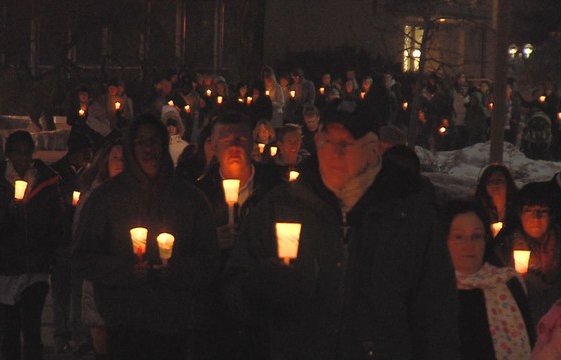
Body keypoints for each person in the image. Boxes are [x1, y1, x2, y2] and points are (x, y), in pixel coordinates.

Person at [224, 109, 460, 359]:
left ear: (372, 150)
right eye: (326, 141)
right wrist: (262, 284)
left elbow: (437, 319)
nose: (333, 153)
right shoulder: (282, 206)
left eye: (345, 145)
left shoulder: (409, 217)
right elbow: (234, 291)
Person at [71, 116, 219, 360]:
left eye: (154, 141)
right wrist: (125, 271)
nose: (148, 148)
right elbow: (81, 256)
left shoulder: (189, 198)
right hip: (124, 322)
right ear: (131, 147)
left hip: (174, 321)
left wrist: (177, 270)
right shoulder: (106, 198)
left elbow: (209, 259)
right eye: (141, 142)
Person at [194, 110, 282, 358]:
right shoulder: (199, 195)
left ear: (252, 144)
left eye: (241, 139)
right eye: (226, 139)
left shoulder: (275, 190)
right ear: (212, 146)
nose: (234, 145)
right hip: (215, 314)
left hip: (264, 311)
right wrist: (211, 243)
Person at [0, 130, 64, 360]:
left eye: (27, 153)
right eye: (17, 153)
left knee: (32, 329)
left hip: (35, 267)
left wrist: (52, 251)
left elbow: (55, 220)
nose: (23, 159)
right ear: (8, 154)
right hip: (6, 267)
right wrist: (9, 213)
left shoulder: (45, 180)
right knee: (10, 331)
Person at [441, 199, 534, 359]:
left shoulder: (507, 283)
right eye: (459, 237)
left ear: (485, 240)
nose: (469, 245)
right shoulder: (433, 291)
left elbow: (531, 341)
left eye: (476, 236)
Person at [73, 139, 125, 360]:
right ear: (105, 161)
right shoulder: (94, 196)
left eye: (124, 158)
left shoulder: (139, 195)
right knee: (101, 336)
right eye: (115, 158)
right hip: (99, 275)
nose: (120, 163)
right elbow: (80, 236)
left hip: (127, 277)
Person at [49, 133, 94, 354]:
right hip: (61, 240)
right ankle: (61, 336)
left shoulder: (91, 173)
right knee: (61, 293)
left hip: (80, 242)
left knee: (79, 292)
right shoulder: (55, 173)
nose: (87, 156)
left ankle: (79, 335)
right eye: (84, 152)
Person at [492, 182, 561, 325]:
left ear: (552, 216)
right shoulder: (503, 250)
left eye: (542, 210)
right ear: (520, 214)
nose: (536, 217)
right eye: (529, 210)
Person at [473, 164, 519, 234]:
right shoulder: (477, 210)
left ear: (508, 183)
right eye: (491, 181)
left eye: (499, 180)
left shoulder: (517, 208)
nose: (495, 184)